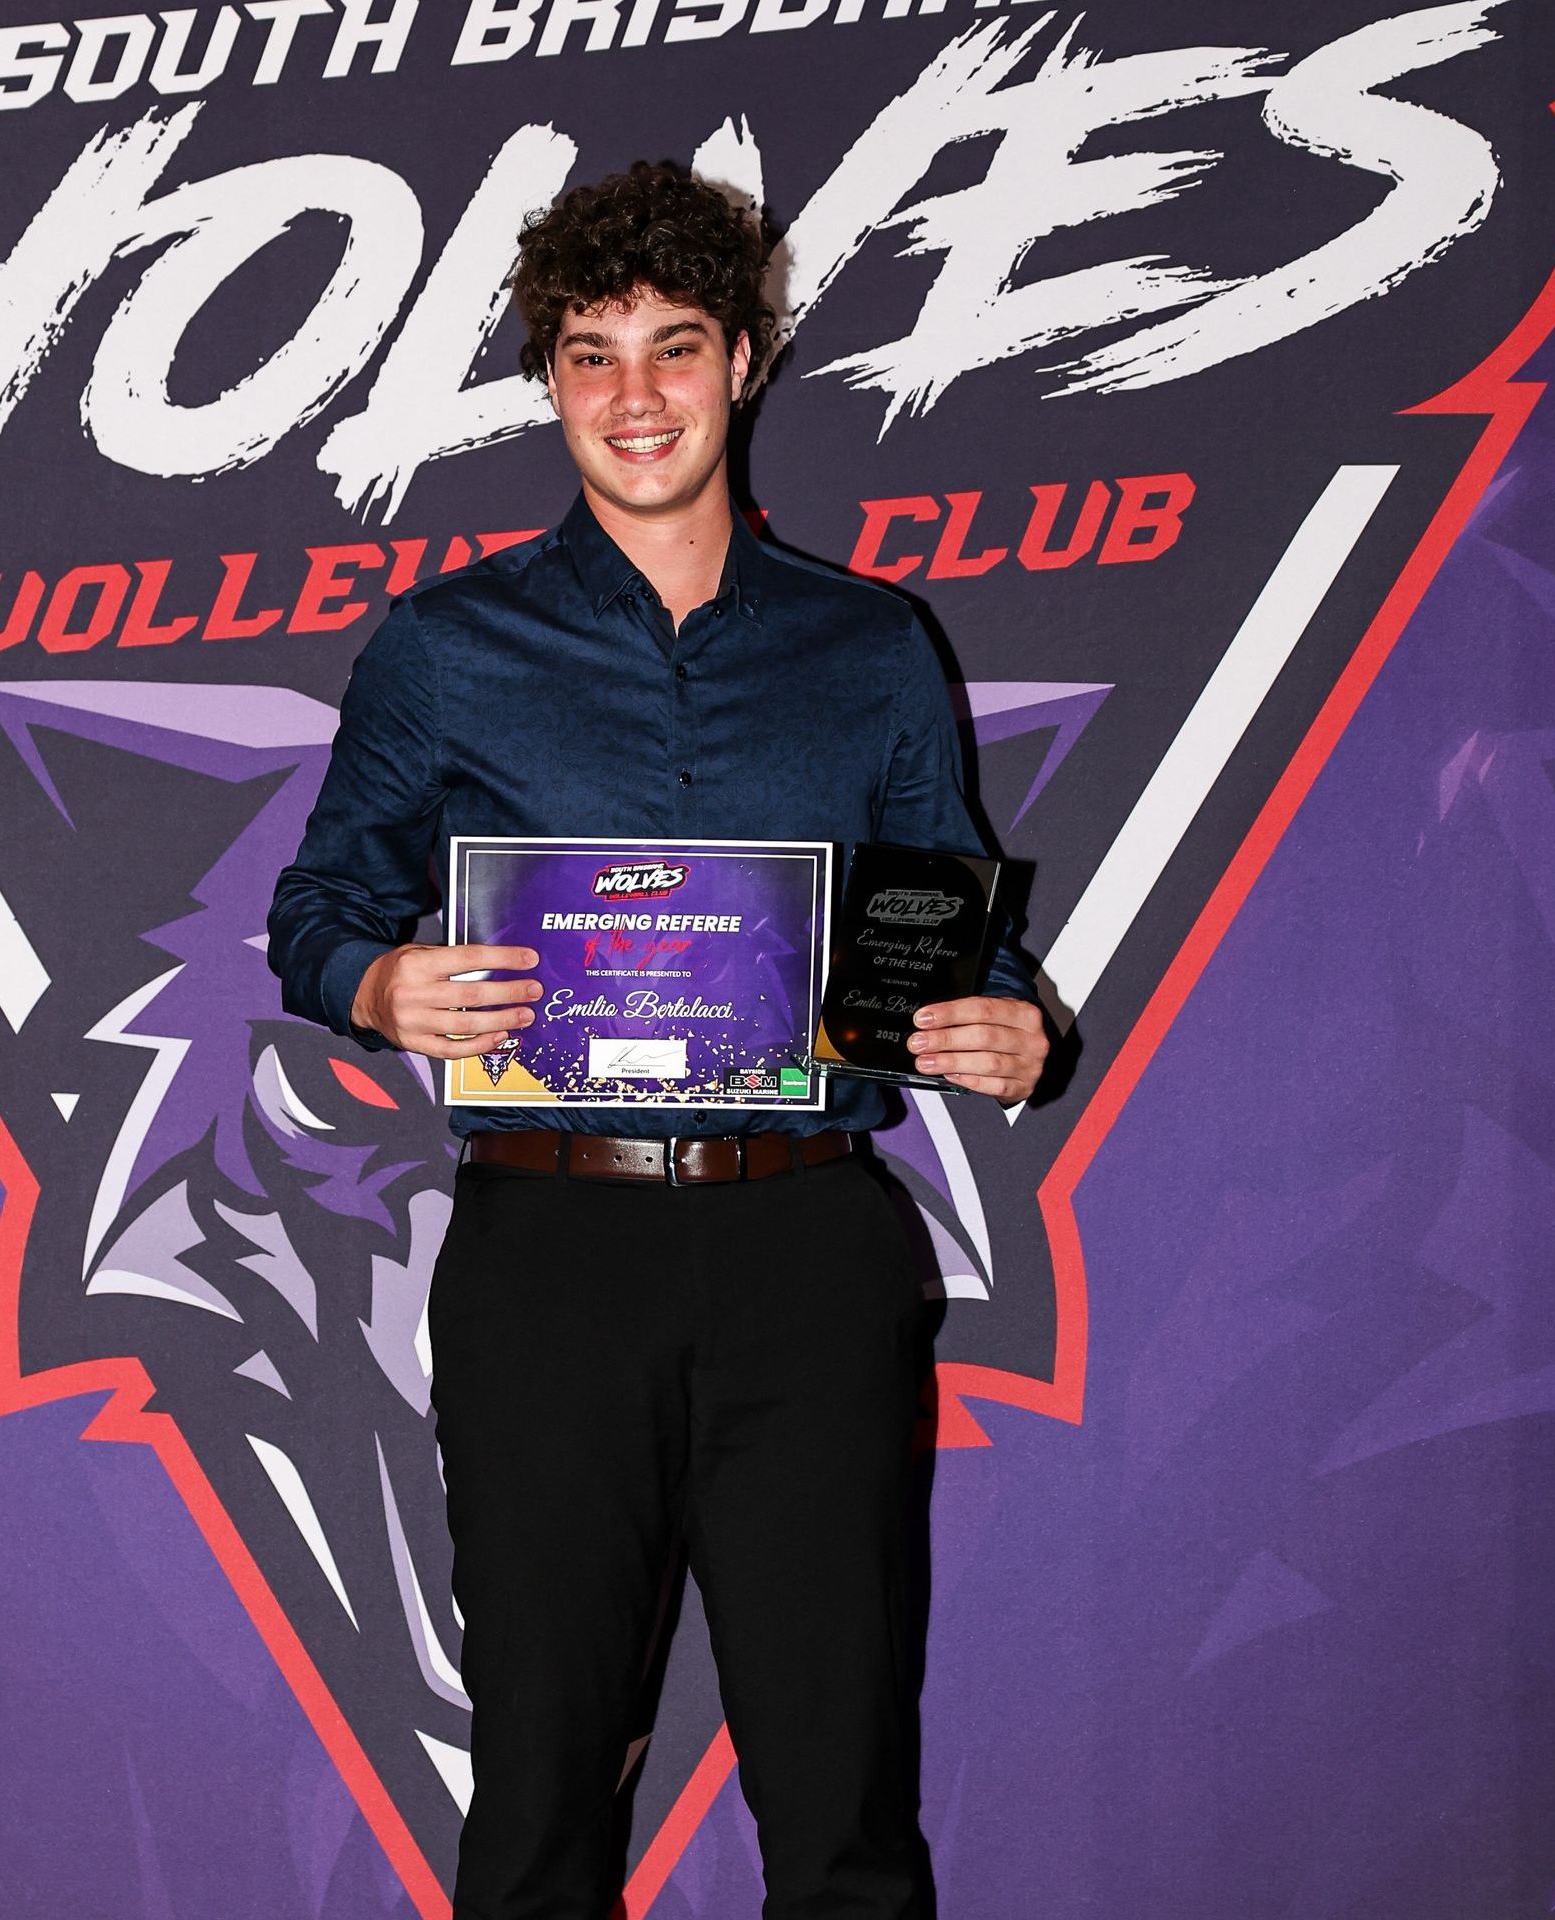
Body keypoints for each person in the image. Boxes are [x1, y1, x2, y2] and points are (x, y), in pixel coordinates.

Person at [268, 162, 1048, 1920]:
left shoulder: (869, 646)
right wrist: (379, 988)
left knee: (842, 1783)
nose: (635, 397)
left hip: (811, 1245)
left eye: (674, 349)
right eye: (591, 354)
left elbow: (949, 930)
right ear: (550, 381)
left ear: (745, 362)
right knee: (544, 1778)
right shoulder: (450, 647)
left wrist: (1011, 1020)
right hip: (555, 1250)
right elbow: (316, 908)